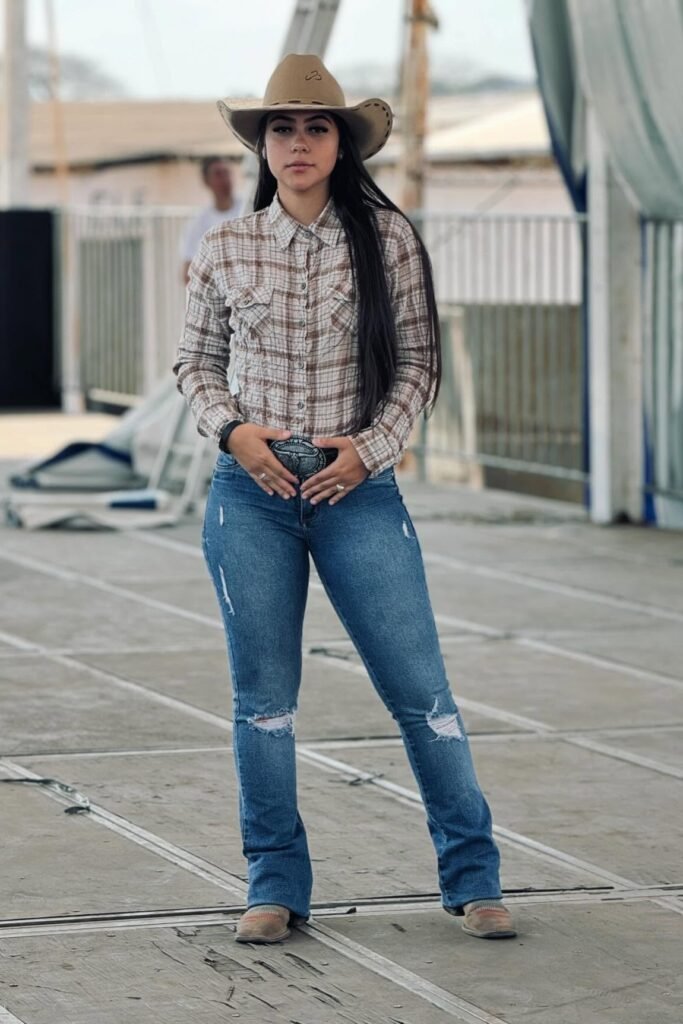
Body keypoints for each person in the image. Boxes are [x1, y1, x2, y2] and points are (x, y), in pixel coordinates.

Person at [173, 53, 516, 946]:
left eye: (316, 127)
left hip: (357, 492)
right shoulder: (225, 247)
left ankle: (473, 877)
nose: (298, 143)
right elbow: (195, 364)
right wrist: (234, 434)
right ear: (262, 145)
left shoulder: (388, 239)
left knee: (420, 691)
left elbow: (418, 366)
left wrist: (368, 451)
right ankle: (274, 884)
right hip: (250, 495)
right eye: (282, 128)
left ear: (340, 144)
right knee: (263, 703)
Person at [180, 156, 241, 284]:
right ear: (206, 181)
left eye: (226, 172)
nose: (224, 179)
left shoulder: (249, 208)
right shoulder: (198, 223)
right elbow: (188, 274)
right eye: (218, 174)